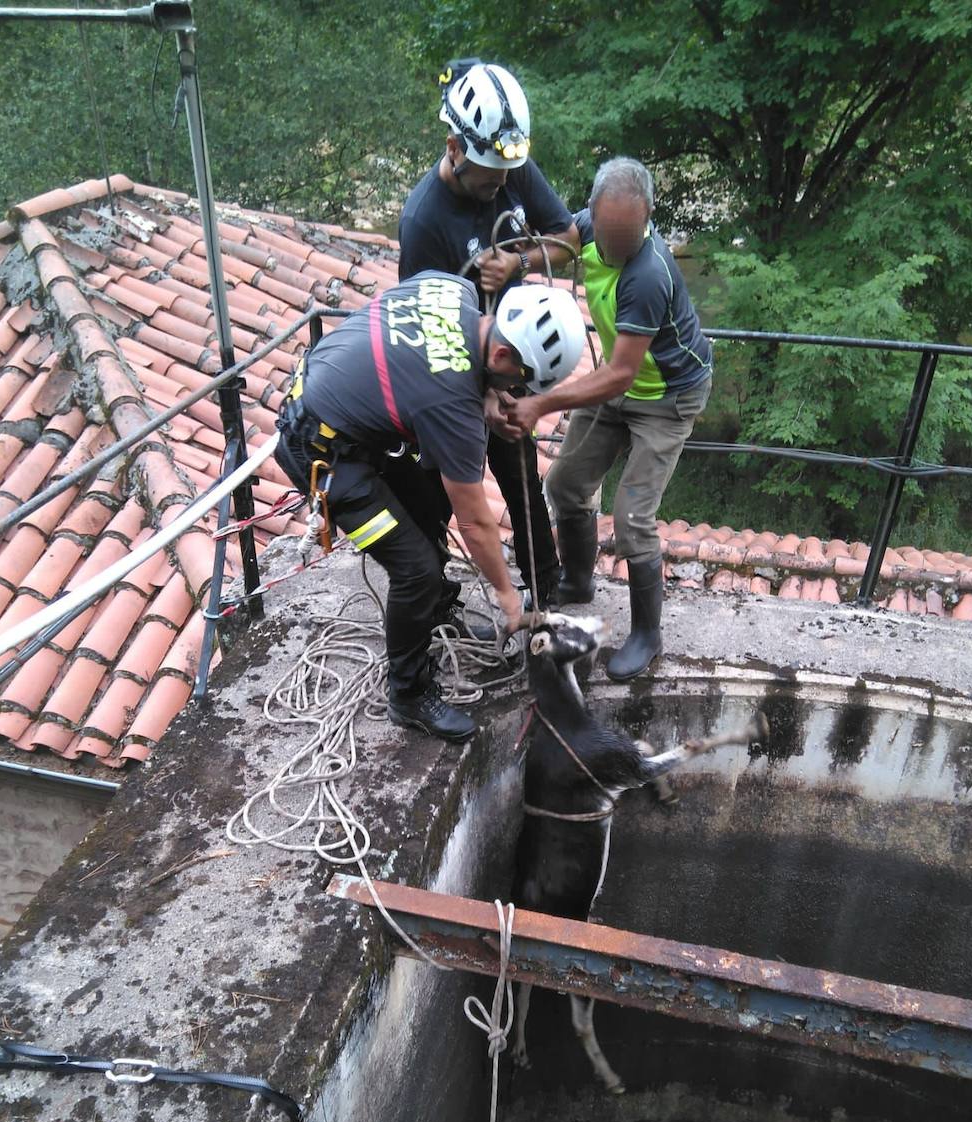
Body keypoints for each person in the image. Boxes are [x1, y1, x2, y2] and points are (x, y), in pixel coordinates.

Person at [273, 272, 585, 742]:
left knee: (424, 511)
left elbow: (438, 357)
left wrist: (489, 393)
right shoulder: (452, 406)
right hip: (322, 453)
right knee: (415, 568)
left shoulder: (451, 289)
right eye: (519, 382)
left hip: (344, 416)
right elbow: (478, 523)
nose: (518, 394)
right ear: (501, 355)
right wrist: (507, 597)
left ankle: (435, 617)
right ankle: (409, 694)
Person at [506, 157, 713, 680]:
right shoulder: (591, 227)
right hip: (622, 387)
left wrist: (539, 404)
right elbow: (562, 245)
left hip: (667, 398)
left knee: (632, 517)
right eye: (607, 236)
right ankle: (579, 580)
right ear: (593, 214)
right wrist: (517, 263)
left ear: (646, 221)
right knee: (566, 484)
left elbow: (620, 374)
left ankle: (648, 635)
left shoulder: (647, 274)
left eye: (629, 238)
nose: (616, 251)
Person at [398, 59, 581, 608]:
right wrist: (480, 395)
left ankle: (545, 592)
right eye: (488, 180)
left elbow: (568, 239)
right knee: (438, 488)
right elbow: (424, 333)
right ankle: (436, 602)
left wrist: (518, 263)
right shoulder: (423, 222)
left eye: (507, 176)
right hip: (452, 370)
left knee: (521, 473)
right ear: (455, 148)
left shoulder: (509, 162)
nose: (500, 186)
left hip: (512, 355)